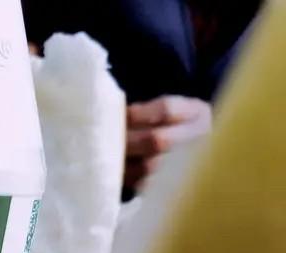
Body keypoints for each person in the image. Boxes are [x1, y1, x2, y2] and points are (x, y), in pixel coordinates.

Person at [22, 0, 263, 197]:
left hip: (181, 227)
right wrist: (49, 115)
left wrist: (225, 149)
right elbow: (2, 31)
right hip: (37, 189)